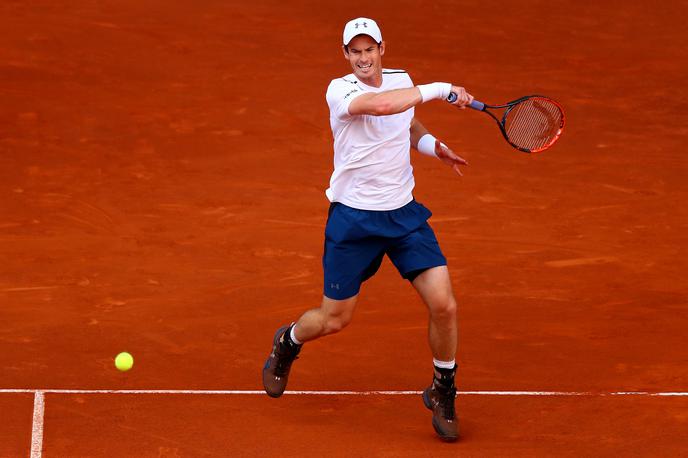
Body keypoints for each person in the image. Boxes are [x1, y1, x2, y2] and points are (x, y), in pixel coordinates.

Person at [262, 17, 473, 442]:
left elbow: (406, 121)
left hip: (403, 215)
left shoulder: (401, 81)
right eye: (354, 51)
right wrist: (442, 88)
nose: (362, 57)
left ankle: (442, 388)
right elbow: (380, 107)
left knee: (444, 305)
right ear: (346, 55)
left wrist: (435, 147)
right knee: (334, 319)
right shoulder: (340, 90)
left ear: (382, 49)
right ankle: (288, 341)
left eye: (369, 49)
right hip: (354, 220)